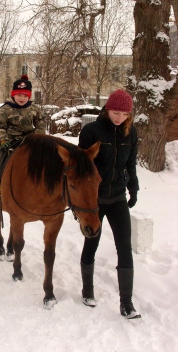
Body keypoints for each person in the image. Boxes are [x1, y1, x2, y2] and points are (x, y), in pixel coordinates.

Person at [78, 89, 141, 319]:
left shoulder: (130, 133)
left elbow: (131, 164)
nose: (119, 118)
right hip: (95, 200)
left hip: (117, 198)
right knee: (91, 244)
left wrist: (133, 188)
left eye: (125, 114)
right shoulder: (91, 131)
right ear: (107, 109)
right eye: (116, 112)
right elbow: (81, 169)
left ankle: (127, 303)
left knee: (124, 246)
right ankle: (87, 290)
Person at [0, 74, 46, 189]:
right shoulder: (6, 109)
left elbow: (41, 120)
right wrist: (2, 139)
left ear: (29, 96)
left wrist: (38, 135)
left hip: (30, 138)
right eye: (19, 95)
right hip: (10, 138)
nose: (22, 98)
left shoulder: (34, 108)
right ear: (13, 95)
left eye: (25, 95)